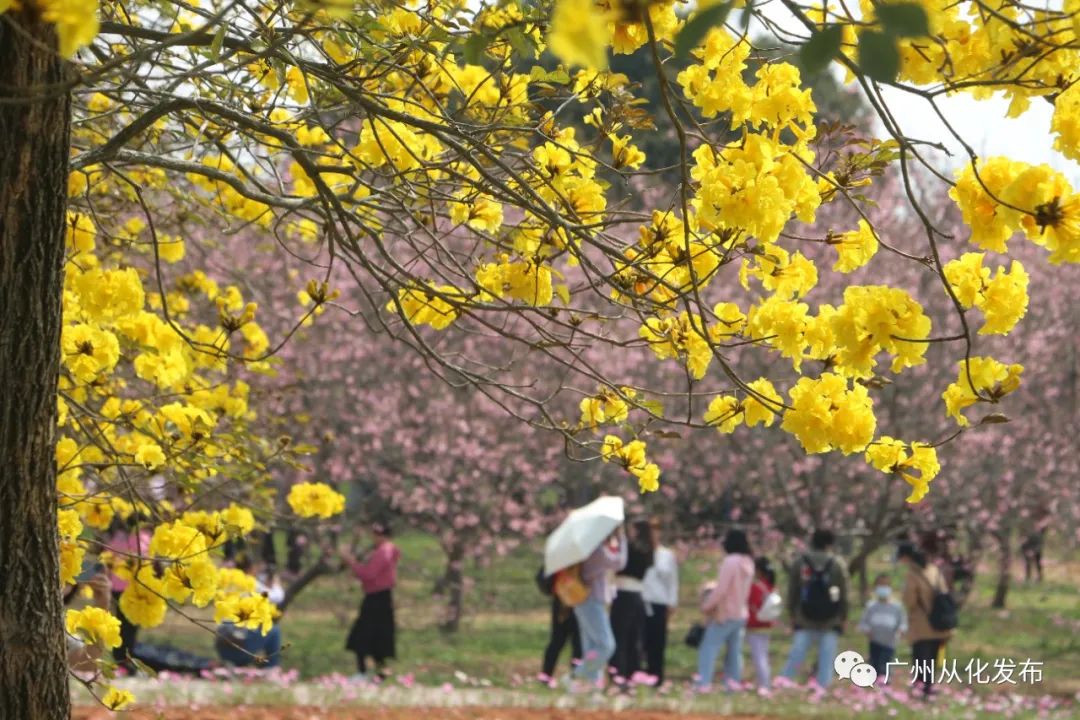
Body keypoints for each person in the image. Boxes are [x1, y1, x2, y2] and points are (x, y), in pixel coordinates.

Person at [779, 528, 849, 689]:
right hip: (830, 619)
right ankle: (822, 689)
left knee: (796, 654)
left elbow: (793, 590)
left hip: (804, 616)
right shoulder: (837, 564)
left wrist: (791, 613)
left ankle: (783, 684)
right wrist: (843, 616)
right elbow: (844, 593)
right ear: (830, 543)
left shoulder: (800, 561)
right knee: (827, 658)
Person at [339, 522, 401, 681]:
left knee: (363, 634)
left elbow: (369, 574)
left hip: (376, 599)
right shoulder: (389, 550)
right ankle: (380, 672)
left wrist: (351, 562)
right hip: (381, 598)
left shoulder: (384, 551)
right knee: (378, 637)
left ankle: (364, 672)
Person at [696, 529, 755, 691]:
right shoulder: (748, 562)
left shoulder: (731, 562)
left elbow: (721, 590)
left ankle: (703, 684)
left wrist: (706, 606)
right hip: (741, 613)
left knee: (708, 648)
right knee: (734, 654)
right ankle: (732, 686)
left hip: (725, 614)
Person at [570, 527, 627, 688]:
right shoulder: (596, 551)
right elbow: (620, 562)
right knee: (606, 645)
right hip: (591, 601)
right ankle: (577, 676)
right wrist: (622, 539)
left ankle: (589, 687)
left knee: (592, 647)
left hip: (587, 601)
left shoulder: (590, 549)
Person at [898, 542, 953, 698]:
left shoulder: (912, 575)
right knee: (933, 659)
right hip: (939, 623)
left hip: (921, 625)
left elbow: (909, 601)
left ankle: (920, 689)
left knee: (920, 659)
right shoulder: (935, 571)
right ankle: (929, 687)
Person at [215, 557, 285, 668]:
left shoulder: (227, 580)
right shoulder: (250, 582)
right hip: (240, 647)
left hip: (222, 647)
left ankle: (241, 665)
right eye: (257, 567)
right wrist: (276, 583)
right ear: (250, 568)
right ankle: (272, 667)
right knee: (275, 630)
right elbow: (277, 597)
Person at [103, 515, 151, 672]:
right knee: (131, 625)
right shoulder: (142, 538)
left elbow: (106, 561)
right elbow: (146, 562)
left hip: (117, 588)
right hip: (134, 590)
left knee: (121, 623)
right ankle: (127, 658)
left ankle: (119, 658)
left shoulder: (118, 538)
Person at [609, 520, 654, 684]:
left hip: (623, 594)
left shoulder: (630, 548)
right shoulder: (649, 549)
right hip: (638, 596)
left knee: (619, 637)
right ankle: (632, 674)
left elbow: (619, 565)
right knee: (634, 639)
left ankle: (618, 673)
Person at [641, 518, 679, 687]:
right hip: (641, 602)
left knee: (657, 643)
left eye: (656, 530)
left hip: (659, 603)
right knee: (639, 642)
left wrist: (672, 603)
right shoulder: (639, 552)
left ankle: (656, 678)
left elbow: (673, 581)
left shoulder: (666, 555)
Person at [857, 573, 907, 680]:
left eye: (886, 585)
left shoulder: (896, 607)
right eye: (880, 585)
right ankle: (874, 681)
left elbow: (902, 623)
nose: (883, 588)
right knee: (875, 661)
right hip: (875, 640)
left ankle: (885, 681)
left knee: (885, 662)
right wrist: (867, 631)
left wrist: (900, 631)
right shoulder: (871, 606)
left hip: (890, 641)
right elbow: (864, 623)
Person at [537, 565, 582, 682]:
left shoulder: (567, 560)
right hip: (564, 601)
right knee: (559, 641)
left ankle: (575, 677)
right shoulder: (561, 561)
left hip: (575, 600)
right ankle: (546, 675)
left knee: (576, 643)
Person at [746, 557, 776, 689]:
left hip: (754, 626)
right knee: (763, 655)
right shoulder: (771, 586)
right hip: (767, 625)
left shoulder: (755, 587)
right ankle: (764, 682)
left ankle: (764, 685)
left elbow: (749, 604)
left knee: (759, 657)